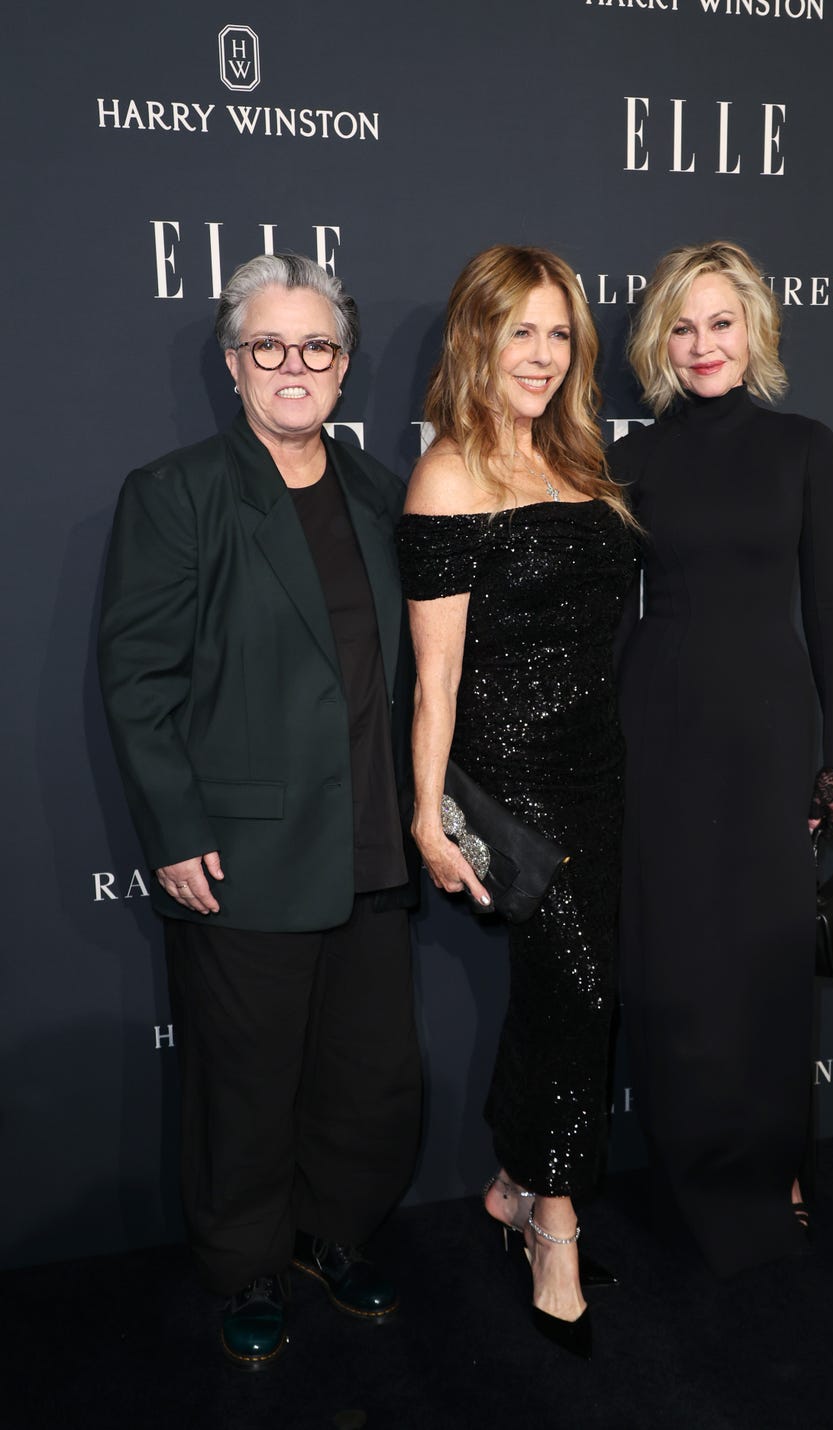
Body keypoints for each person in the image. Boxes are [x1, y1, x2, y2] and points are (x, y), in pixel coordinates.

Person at [98, 252, 422, 1367]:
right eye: (268, 346)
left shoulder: (384, 494)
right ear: (233, 365)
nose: (294, 367)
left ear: (344, 368)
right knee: (244, 1084)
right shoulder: (177, 491)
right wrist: (176, 827)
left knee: (365, 1073)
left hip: (372, 844)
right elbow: (138, 676)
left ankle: (331, 1235)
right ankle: (244, 1264)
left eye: (317, 347)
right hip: (239, 853)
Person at [396, 245, 637, 1358]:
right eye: (519, 332)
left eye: (556, 334)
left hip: (596, 769)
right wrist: (423, 811)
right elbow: (433, 675)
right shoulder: (446, 473)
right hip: (507, 784)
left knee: (573, 997)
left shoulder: (580, 459)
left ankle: (508, 1179)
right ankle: (551, 1222)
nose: (539, 354)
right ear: (476, 340)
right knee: (577, 991)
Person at [611, 240, 833, 1277]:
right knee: (680, 966)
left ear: (754, 329)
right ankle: (693, 1169)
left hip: (766, 736)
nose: (701, 343)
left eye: (720, 321)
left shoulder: (805, 445)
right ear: (655, 340)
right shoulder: (625, 457)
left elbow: (828, 616)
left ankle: (772, 1162)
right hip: (657, 731)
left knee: (762, 964)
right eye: (681, 324)